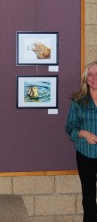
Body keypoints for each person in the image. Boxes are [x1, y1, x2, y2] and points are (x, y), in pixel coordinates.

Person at [65, 61, 97, 222]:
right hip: (85, 155)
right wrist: (83, 133)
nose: (94, 77)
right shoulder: (78, 100)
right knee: (89, 196)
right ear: (85, 78)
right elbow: (70, 126)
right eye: (90, 74)